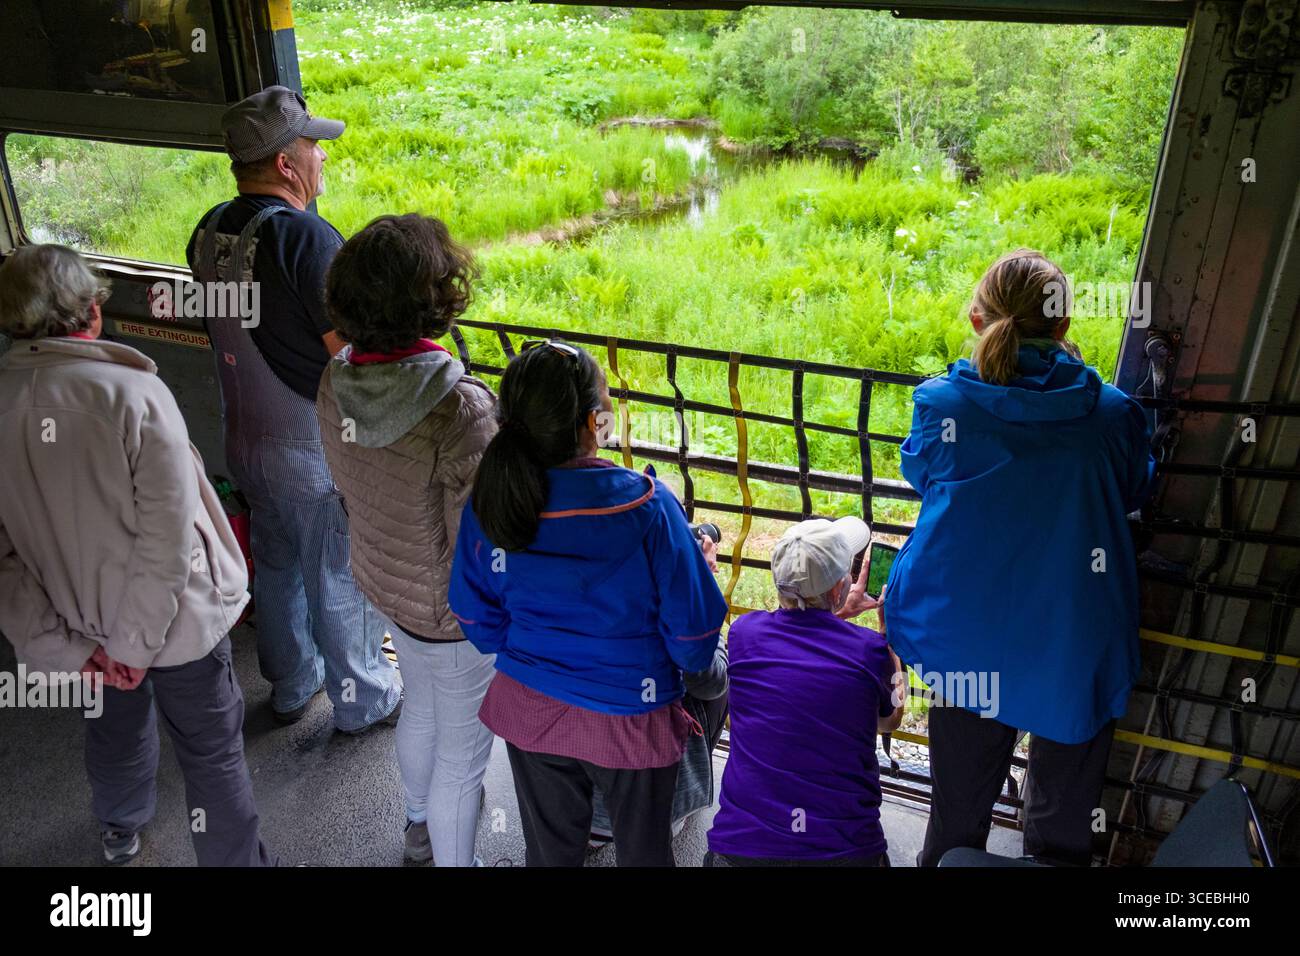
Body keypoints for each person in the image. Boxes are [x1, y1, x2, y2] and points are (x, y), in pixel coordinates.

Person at [0, 244, 278, 866]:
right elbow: (167, 539)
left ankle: (120, 827)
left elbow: (5, 562)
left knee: (112, 727)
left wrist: (68, 649)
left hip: (80, 628)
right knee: (210, 752)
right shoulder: (135, 394)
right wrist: (131, 645)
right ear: (93, 315)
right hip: (172, 626)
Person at [884, 249, 1157, 867]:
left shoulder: (941, 406)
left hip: (966, 635)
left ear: (979, 321)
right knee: (1064, 822)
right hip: (1072, 643)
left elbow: (924, 476)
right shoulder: (1113, 415)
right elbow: (1134, 486)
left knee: (956, 809)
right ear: (1063, 328)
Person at [448, 341, 728, 867]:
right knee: (645, 853)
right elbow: (694, 643)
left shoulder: (493, 504)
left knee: (551, 855)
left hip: (530, 709)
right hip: (631, 720)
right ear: (588, 424)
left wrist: (540, 651)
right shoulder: (647, 504)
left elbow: (474, 616)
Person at [185, 85, 400, 732]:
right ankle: (363, 700)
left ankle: (290, 685)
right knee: (338, 570)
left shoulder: (209, 230)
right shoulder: (307, 240)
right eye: (313, 146)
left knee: (276, 564)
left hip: (244, 436)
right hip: (310, 443)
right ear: (284, 162)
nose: (322, 157)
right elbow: (347, 353)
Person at [316, 214, 498, 866]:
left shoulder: (336, 379)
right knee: (464, 754)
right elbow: (483, 541)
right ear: (435, 299)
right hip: (454, 613)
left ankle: (419, 829)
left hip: (384, 581)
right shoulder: (459, 408)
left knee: (421, 705)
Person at [705, 518, 903, 866]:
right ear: (840, 587)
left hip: (741, 848)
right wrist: (891, 644)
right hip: (844, 850)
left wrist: (836, 613)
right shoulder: (870, 651)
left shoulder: (743, 635)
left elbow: (800, 651)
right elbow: (889, 722)